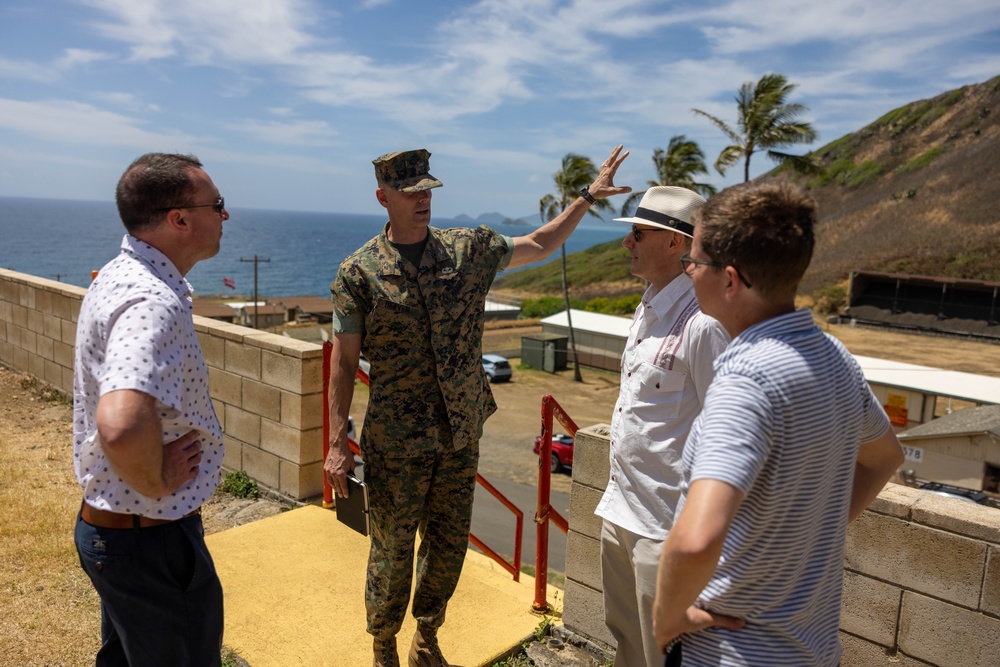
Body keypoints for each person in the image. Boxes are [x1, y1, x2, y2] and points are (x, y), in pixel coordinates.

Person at [325, 146, 630, 667]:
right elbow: (342, 363)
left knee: (445, 548)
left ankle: (426, 638)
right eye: (409, 192)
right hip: (396, 442)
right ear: (383, 197)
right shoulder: (358, 273)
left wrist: (585, 197)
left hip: (460, 434)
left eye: (427, 190)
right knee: (392, 553)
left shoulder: (469, 249)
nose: (422, 200)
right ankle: (383, 648)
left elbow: (539, 241)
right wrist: (336, 443)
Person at [652, 181, 905, 666]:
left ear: (730, 280)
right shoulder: (835, 358)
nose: (688, 271)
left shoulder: (744, 380)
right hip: (812, 650)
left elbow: (696, 539)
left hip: (730, 653)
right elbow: (884, 458)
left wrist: (665, 619)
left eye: (695, 261)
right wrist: (804, 543)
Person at [73, 153, 230, 666]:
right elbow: (120, 423)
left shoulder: (121, 274)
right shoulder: (150, 301)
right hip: (150, 541)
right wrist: (157, 481)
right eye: (217, 205)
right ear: (179, 219)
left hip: (121, 535)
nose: (225, 216)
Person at [594, 187, 730, 667]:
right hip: (622, 513)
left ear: (675, 243)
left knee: (664, 655)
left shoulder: (704, 324)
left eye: (636, 234)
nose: (626, 244)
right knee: (627, 643)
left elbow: (726, 433)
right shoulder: (649, 307)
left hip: (666, 530)